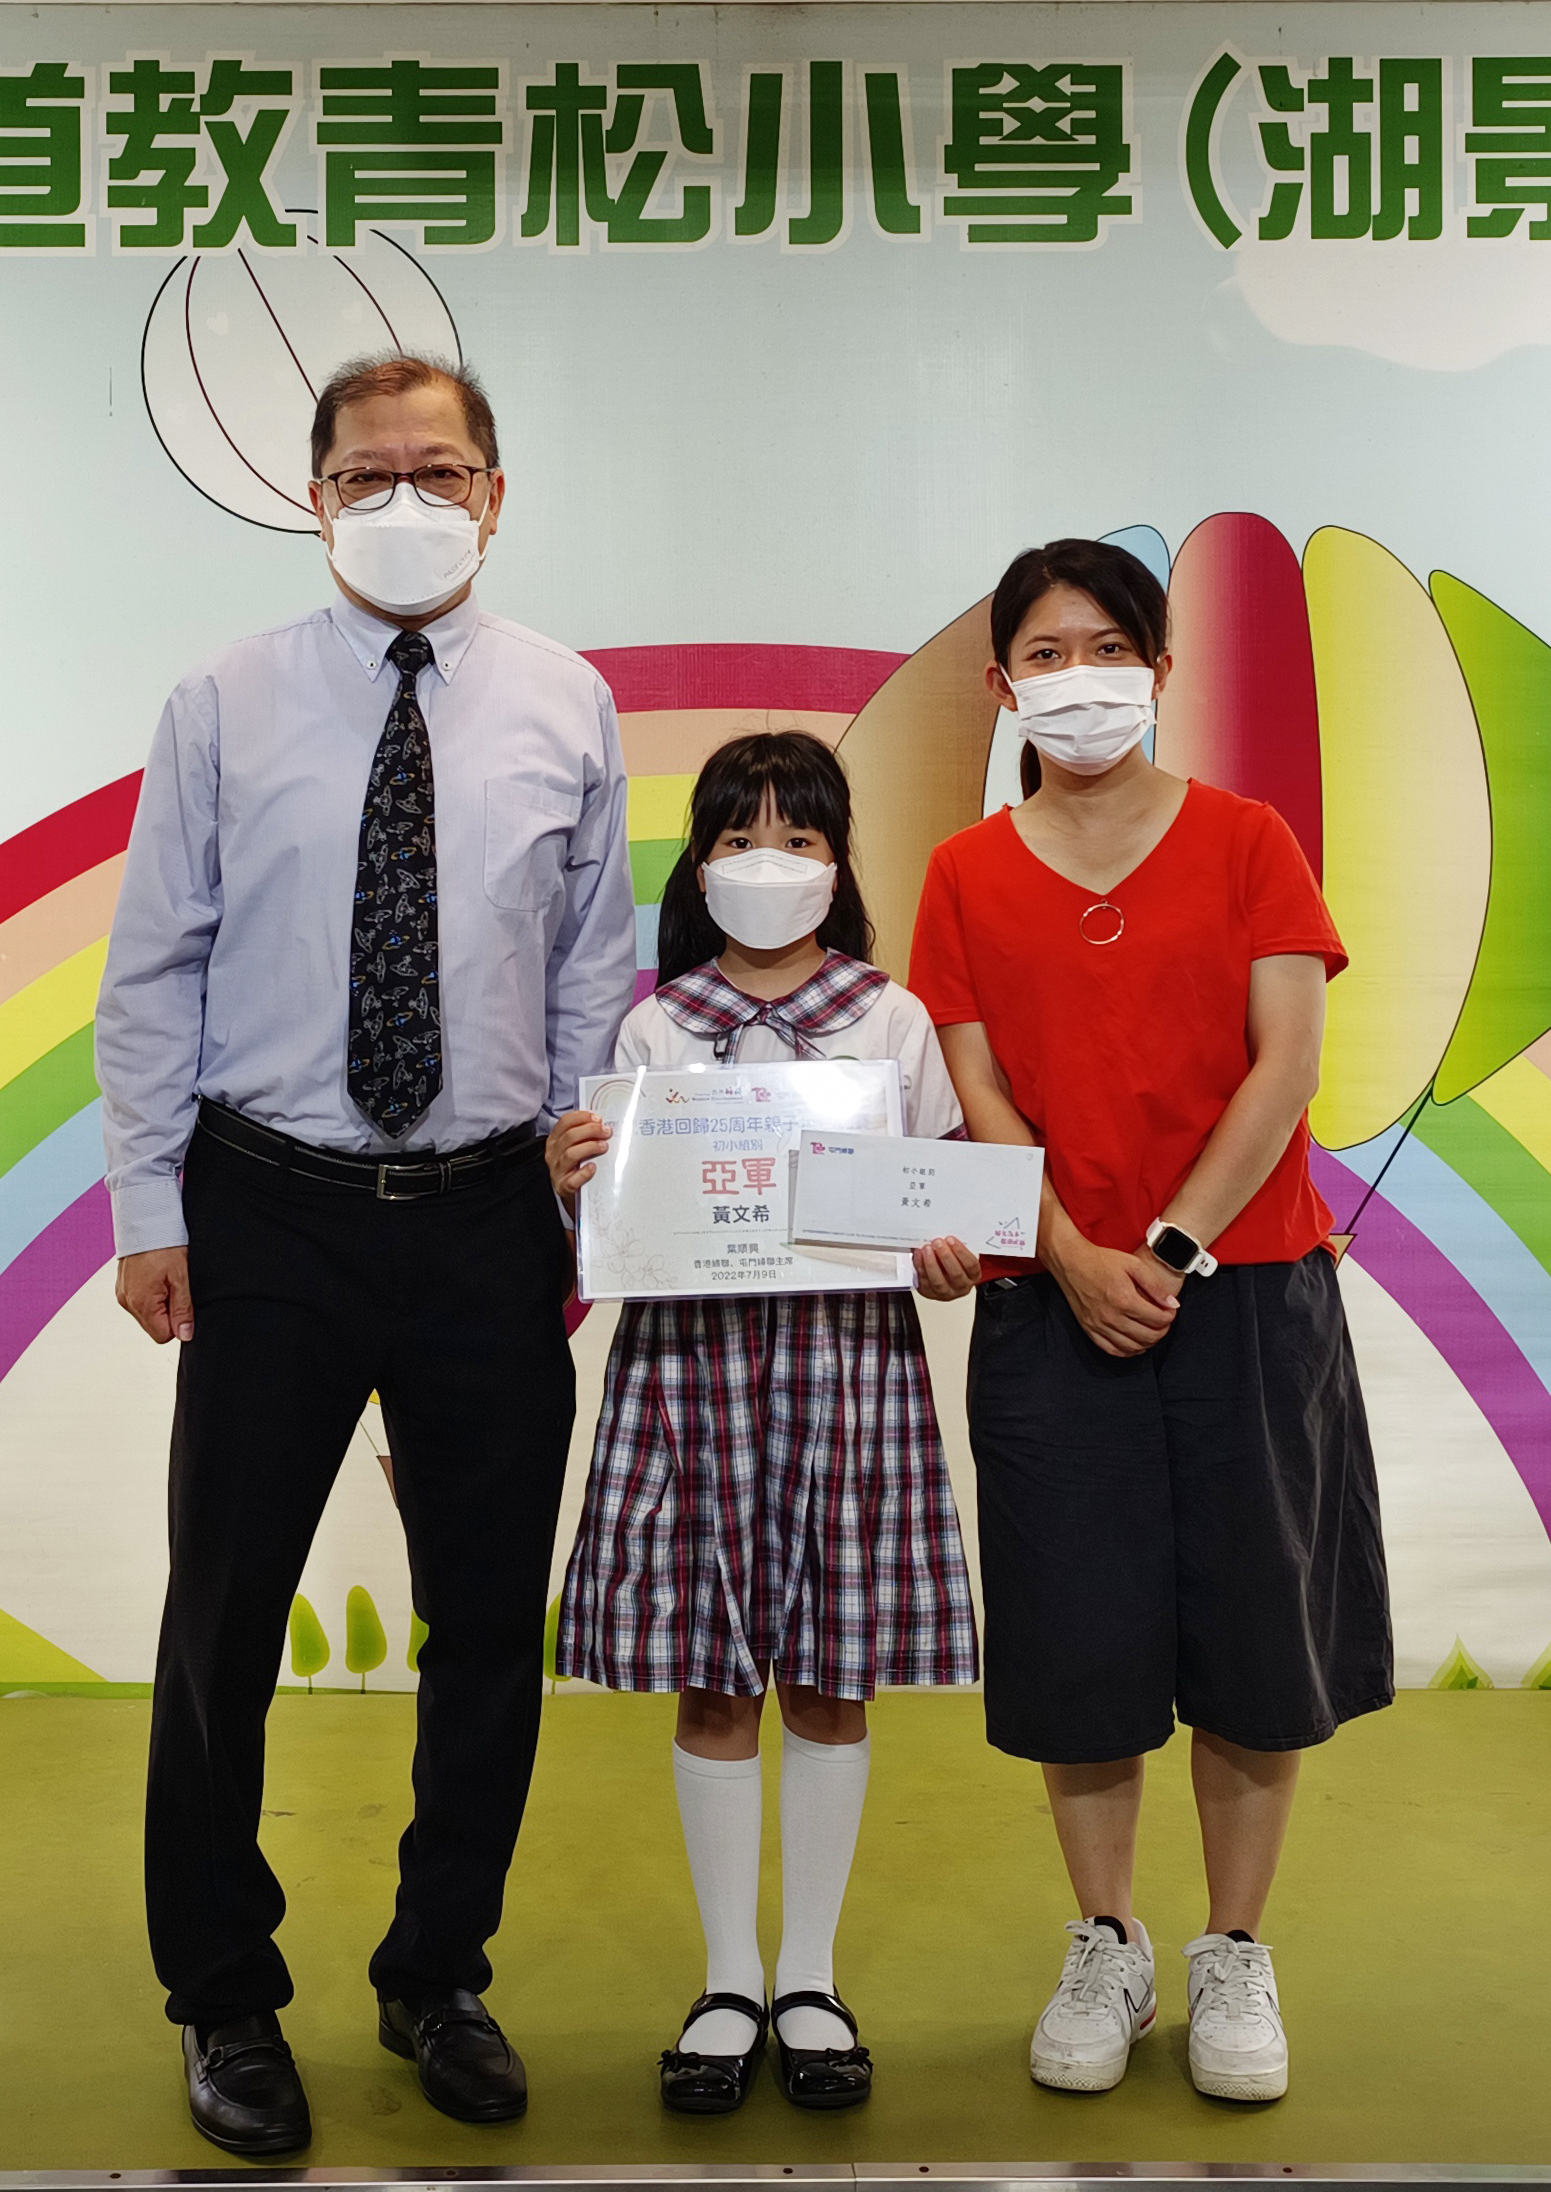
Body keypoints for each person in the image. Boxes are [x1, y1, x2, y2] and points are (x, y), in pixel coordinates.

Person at [95, 353, 635, 2157]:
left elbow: (590, 967)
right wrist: (151, 1209)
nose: (406, 502)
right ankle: (222, 1994)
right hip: (270, 1213)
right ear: (313, 495)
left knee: (485, 1621)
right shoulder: (223, 701)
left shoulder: (567, 700)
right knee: (224, 1619)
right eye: (367, 474)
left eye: (440, 471)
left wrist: (588, 1185)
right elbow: (154, 966)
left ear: (496, 493)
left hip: (490, 1217)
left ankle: (438, 1971)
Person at [904, 538, 1389, 2106]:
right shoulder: (965, 872)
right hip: (1054, 1304)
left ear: (1164, 670)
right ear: (1003, 687)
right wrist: (1066, 1252)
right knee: (1078, 1631)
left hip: (1247, 1292)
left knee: (1257, 1631)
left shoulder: (1251, 841)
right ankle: (1105, 1937)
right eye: (1045, 655)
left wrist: (1167, 1248)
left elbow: (1286, 1065)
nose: (1080, 679)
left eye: (1109, 648)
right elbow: (976, 1084)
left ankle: (1234, 1950)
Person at [545, 732, 982, 2116]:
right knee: (714, 1675)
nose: (769, 864)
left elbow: (942, 1197)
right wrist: (575, 1179)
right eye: (740, 840)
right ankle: (729, 1978)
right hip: (689, 1375)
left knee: (832, 1677)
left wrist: (948, 1250)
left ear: (840, 864)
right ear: (699, 867)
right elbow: (615, 1225)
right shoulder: (655, 1030)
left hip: (849, 1374)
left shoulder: (891, 1021)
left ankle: (810, 1975)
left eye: (799, 840)